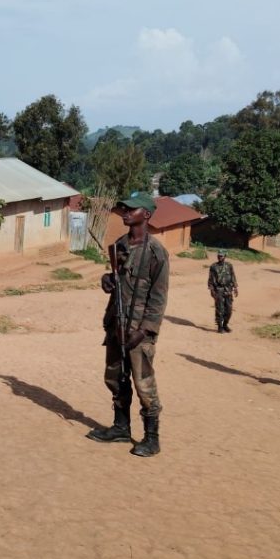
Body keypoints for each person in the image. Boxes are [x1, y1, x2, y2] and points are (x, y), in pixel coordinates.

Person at [86, 191, 169, 458]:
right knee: (115, 378)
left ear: (145, 214)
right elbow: (116, 280)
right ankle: (121, 427)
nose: (125, 213)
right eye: (124, 209)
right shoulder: (120, 245)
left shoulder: (156, 252)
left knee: (144, 384)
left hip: (138, 332)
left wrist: (143, 331)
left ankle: (151, 438)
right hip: (116, 325)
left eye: (131, 210)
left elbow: (158, 298)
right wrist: (106, 280)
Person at [207, 249, 238, 333]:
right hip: (218, 290)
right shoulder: (213, 266)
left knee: (229, 309)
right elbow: (210, 279)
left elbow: (233, 276)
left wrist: (235, 288)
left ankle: (225, 325)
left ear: (225, 256)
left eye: (221, 256)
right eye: (218, 256)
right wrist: (212, 290)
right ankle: (220, 327)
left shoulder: (229, 266)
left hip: (228, 289)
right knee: (219, 309)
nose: (219, 257)